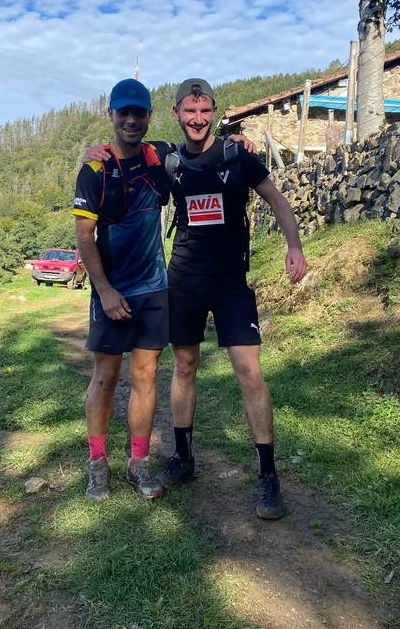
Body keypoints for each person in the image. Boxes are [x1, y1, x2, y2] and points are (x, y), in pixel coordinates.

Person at [83, 78, 307, 519]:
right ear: (176, 114)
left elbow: (278, 202)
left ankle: (268, 475)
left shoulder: (237, 154)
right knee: (184, 367)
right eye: (190, 111)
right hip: (183, 281)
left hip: (230, 282)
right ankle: (183, 458)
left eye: (205, 112)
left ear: (215, 112)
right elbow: (123, 151)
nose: (198, 119)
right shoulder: (166, 159)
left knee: (250, 374)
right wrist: (92, 153)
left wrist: (294, 246)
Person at [72, 77, 171, 501]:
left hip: (154, 288)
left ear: (149, 115)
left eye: (138, 112)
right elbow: (83, 236)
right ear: (110, 114)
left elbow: (202, 147)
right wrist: (105, 291)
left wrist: (238, 140)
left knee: (146, 375)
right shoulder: (95, 169)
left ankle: (139, 464)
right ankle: (97, 466)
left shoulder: (160, 155)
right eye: (123, 112)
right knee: (106, 376)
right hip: (113, 290)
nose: (131, 120)